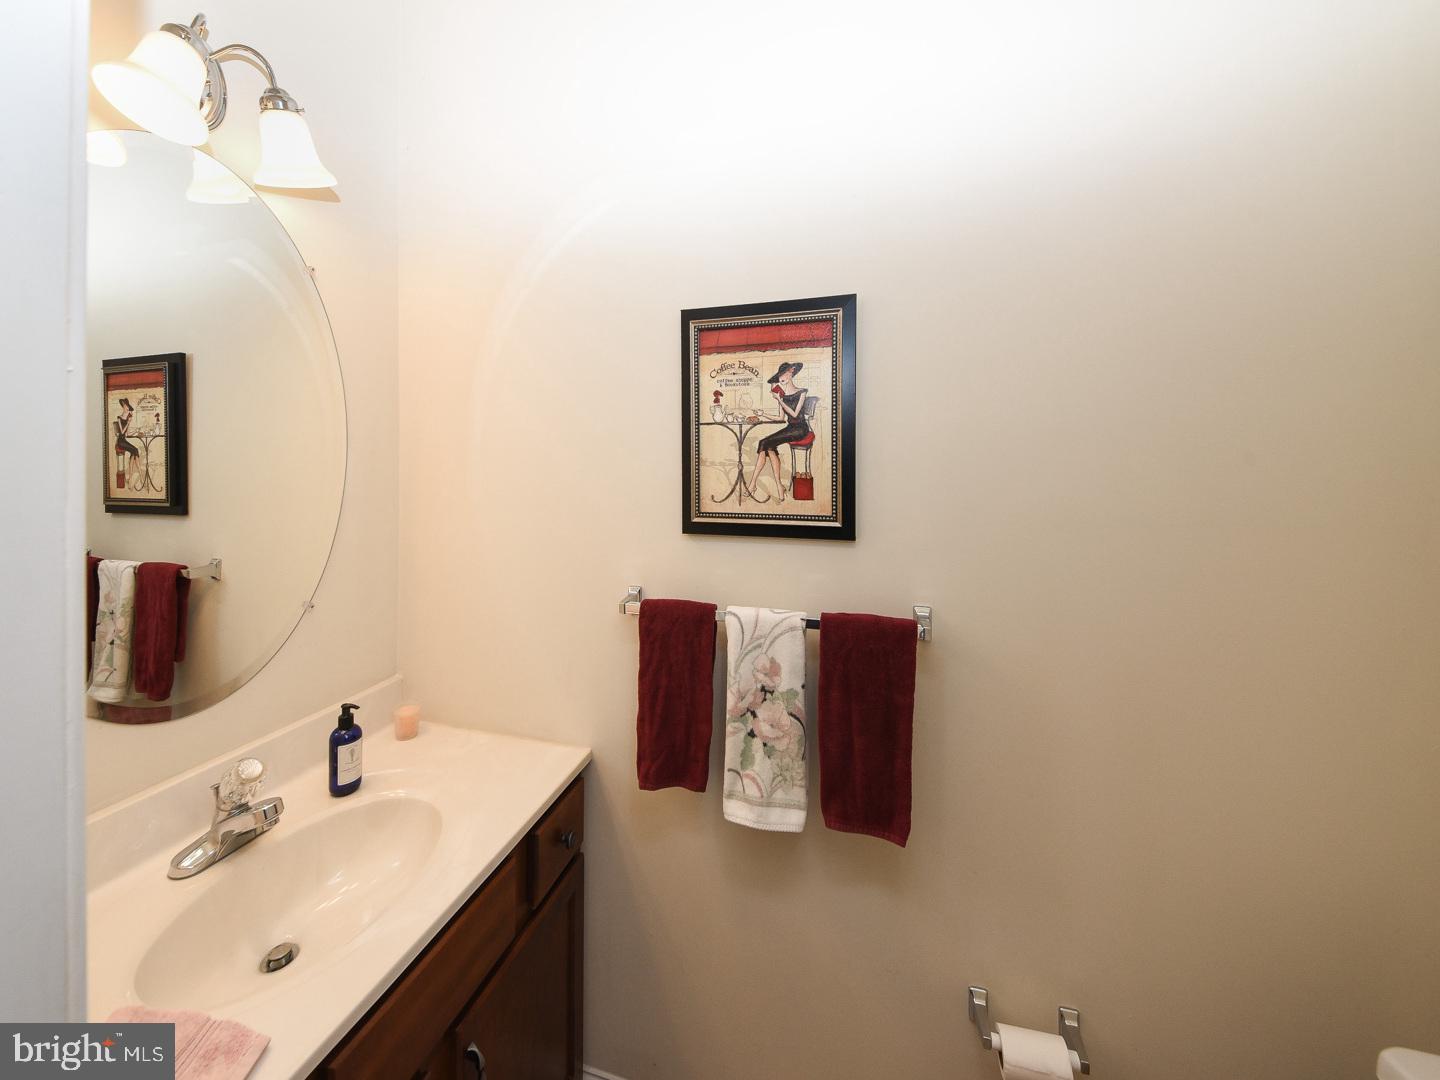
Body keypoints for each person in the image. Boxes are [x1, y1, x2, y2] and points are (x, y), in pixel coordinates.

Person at [749, 362, 810, 503]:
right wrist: (763, 414)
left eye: (784, 374)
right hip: (790, 428)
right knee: (768, 445)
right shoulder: (782, 395)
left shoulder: (802, 392)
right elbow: (781, 418)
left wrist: (779, 400)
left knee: (764, 442)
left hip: (801, 429)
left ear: (791, 372)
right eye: (780, 375)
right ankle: (778, 486)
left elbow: (794, 414)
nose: (781, 377)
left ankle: (753, 484)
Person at [113, 398, 139, 488]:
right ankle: (136, 476)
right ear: (123, 407)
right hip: (120, 442)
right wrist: (128, 423)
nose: (126, 407)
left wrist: (136, 431)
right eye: (124, 405)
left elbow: (127, 434)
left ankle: (130, 479)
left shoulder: (128, 418)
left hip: (124, 440)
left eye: (127, 406)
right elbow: (122, 432)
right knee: (135, 450)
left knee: (134, 452)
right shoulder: (119, 418)